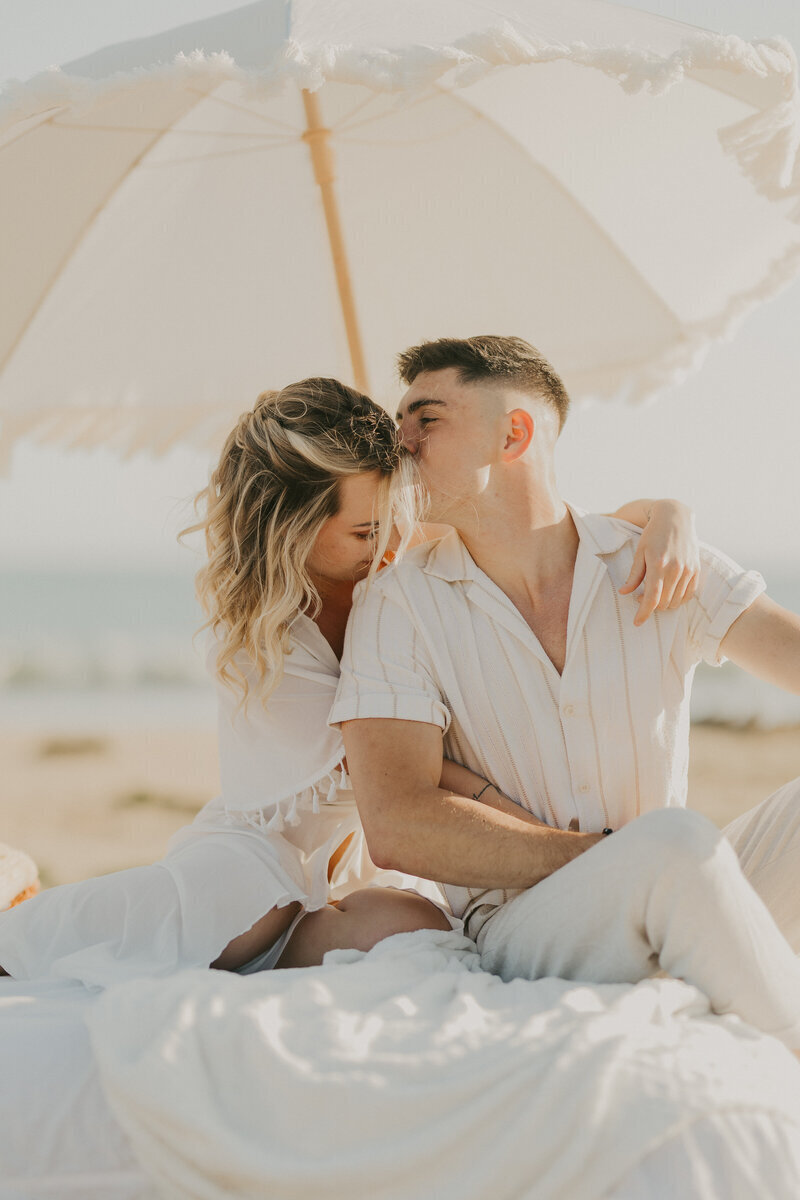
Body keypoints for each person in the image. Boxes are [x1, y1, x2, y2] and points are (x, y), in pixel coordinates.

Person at [0, 378, 695, 985]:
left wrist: (667, 514)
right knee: (216, 912)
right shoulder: (262, 637)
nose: (393, 545)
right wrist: (557, 840)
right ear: (295, 531)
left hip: (346, 865)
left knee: (414, 927)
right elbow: (402, 770)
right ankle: (19, 910)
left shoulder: (385, 564)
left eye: (393, 518)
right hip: (257, 860)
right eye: (367, 532)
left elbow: (547, 529)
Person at [331, 335, 800, 1050]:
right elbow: (396, 822)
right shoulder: (399, 606)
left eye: (426, 419)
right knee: (670, 843)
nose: (400, 442)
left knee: (678, 848)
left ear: (513, 433)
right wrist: (602, 856)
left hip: (678, 884)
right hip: (527, 929)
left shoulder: (656, 559)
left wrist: (673, 512)